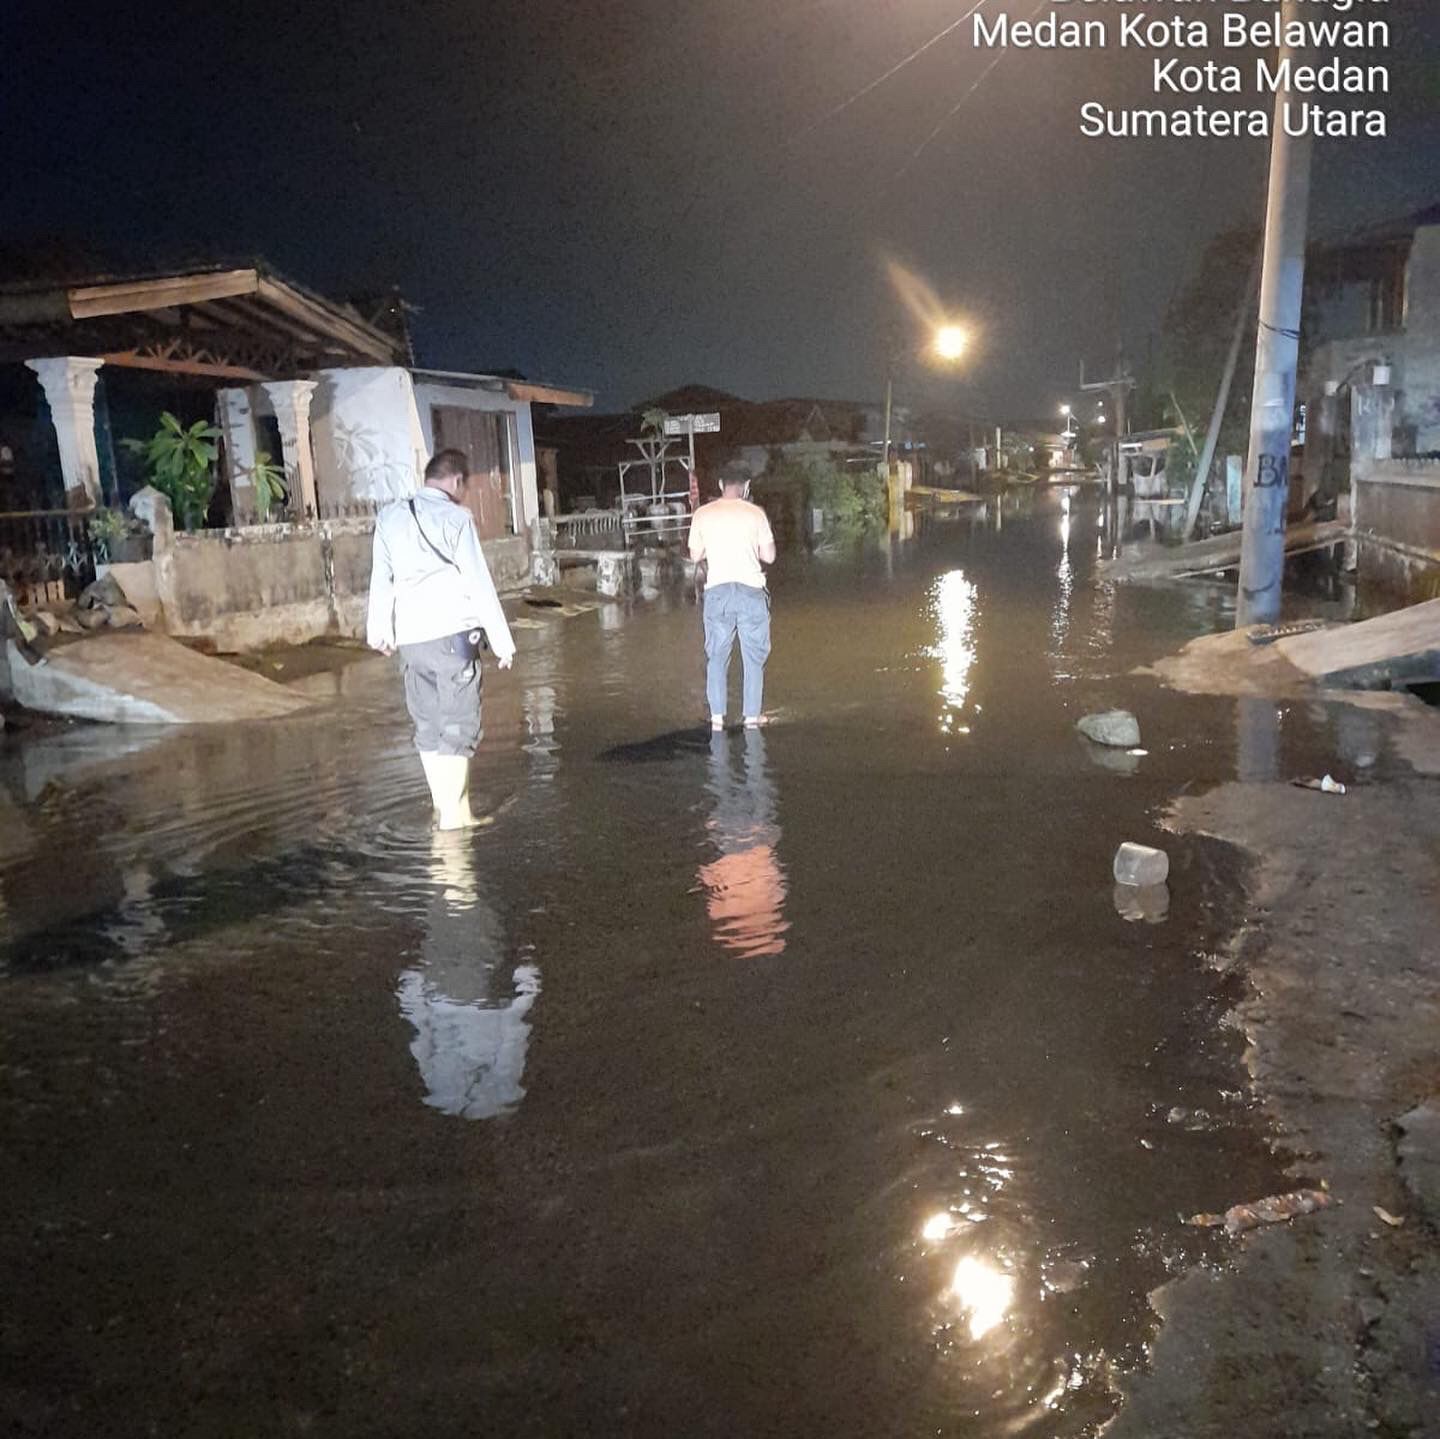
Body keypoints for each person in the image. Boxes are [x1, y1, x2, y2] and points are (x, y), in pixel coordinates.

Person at [367, 448, 516, 829]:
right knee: (457, 727)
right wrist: (502, 642)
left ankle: (444, 809)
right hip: (453, 637)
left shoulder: (390, 516)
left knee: (428, 726)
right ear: (456, 481)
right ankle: (455, 819)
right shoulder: (456, 519)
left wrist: (379, 631)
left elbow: (381, 578)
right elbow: (478, 583)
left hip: (412, 641)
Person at [688, 460, 776, 730]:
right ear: (746, 486)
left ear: (720, 485)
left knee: (717, 655)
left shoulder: (702, 514)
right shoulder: (756, 513)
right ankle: (752, 717)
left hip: (718, 593)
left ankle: (716, 719)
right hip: (751, 591)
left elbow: (695, 555)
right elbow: (769, 556)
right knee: (753, 656)